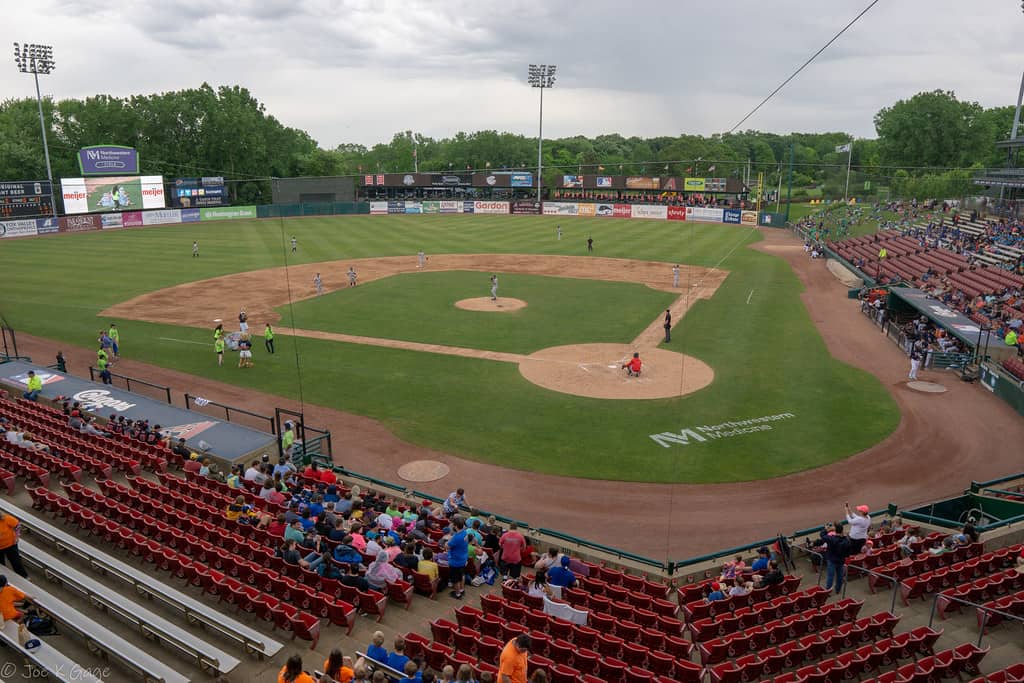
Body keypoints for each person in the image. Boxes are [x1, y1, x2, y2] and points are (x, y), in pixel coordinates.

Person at [815, 522, 850, 594]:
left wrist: (827, 529)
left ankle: (828, 591)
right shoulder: (845, 540)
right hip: (841, 560)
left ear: (835, 530)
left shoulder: (831, 539)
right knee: (839, 576)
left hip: (832, 560)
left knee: (830, 576)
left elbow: (822, 535)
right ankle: (838, 590)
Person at [446, 517, 469, 599]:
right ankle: (462, 589)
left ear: (455, 526)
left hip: (455, 562)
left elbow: (447, 546)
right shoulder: (465, 532)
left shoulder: (456, 537)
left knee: (455, 579)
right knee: (462, 575)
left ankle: (458, 594)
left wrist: (449, 539)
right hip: (463, 559)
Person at [0, 513, 27, 579]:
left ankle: (24, 577)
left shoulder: (6, 519)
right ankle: (6, 581)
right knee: (1, 566)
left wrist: (17, 537)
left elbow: (17, 525)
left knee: (16, 562)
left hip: (11, 545)